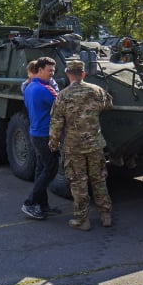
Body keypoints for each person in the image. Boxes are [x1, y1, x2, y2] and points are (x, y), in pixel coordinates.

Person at [49, 59, 113, 230]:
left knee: (78, 183)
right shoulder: (97, 91)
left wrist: (53, 145)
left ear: (68, 74)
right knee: (99, 179)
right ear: (83, 74)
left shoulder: (62, 95)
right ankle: (106, 215)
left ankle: (82, 220)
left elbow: (56, 124)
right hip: (95, 144)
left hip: (73, 146)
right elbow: (109, 105)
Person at [21, 57, 62, 220]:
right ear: (40, 70)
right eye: (49, 70)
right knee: (50, 170)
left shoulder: (29, 87)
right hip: (45, 135)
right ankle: (30, 203)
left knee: (41, 171)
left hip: (36, 133)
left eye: (53, 70)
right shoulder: (45, 89)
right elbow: (62, 104)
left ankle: (43, 205)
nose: (52, 74)